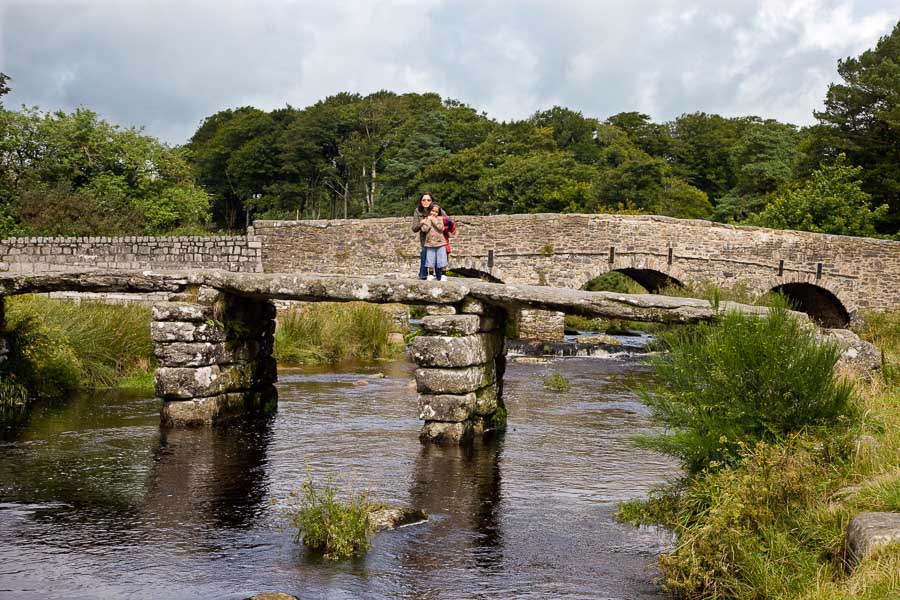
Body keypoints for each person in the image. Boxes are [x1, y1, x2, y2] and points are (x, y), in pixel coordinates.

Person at [411, 192, 446, 279]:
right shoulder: (418, 211)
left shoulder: (439, 210)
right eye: (424, 200)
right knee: (425, 253)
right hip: (426, 238)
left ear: (432, 201)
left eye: (428, 200)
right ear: (421, 201)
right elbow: (414, 228)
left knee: (439, 256)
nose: (426, 202)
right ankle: (423, 275)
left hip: (438, 238)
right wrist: (421, 223)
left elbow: (447, 221)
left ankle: (439, 275)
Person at [419, 203, 449, 280]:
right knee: (430, 260)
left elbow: (441, 228)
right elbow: (424, 229)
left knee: (442, 260)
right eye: (432, 211)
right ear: (429, 211)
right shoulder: (426, 219)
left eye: (436, 212)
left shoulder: (440, 219)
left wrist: (433, 220)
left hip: (440, 243)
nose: (434, 213)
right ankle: (431, 274)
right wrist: (427, 221)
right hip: (429, 243)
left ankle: (443, 275)